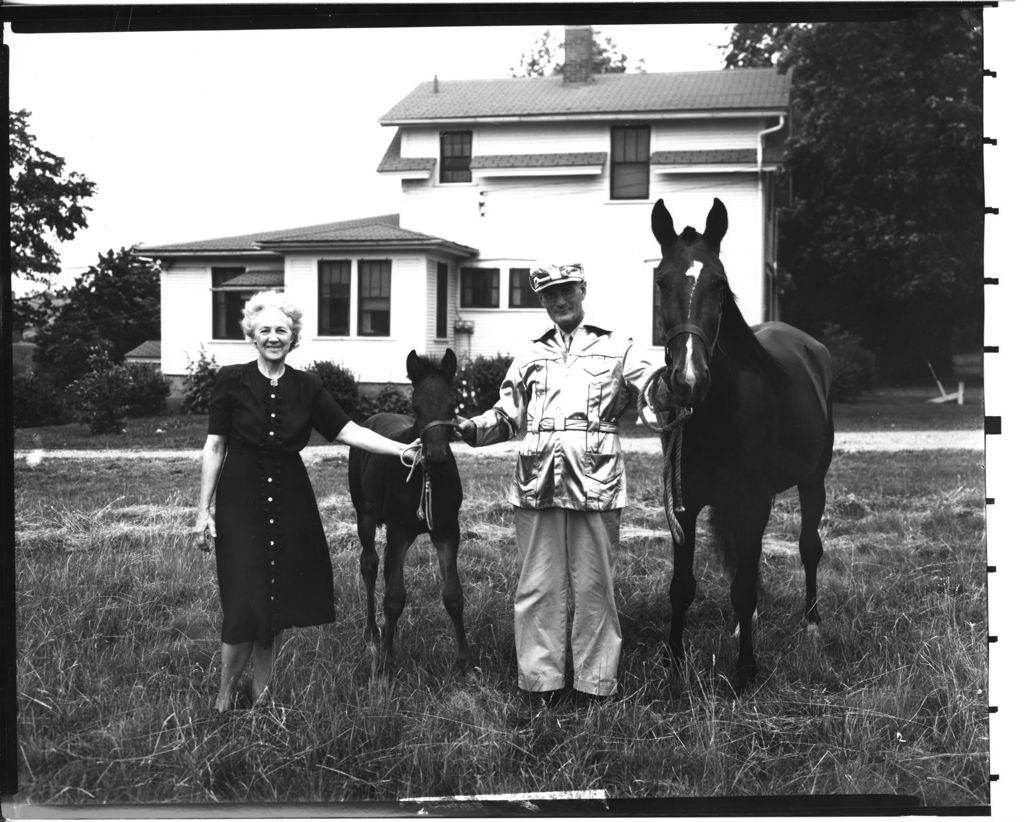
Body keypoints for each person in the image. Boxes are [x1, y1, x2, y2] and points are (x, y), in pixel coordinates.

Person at [191, 290, 420, 712]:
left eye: (282, 330)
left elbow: (347, 429)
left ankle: (262, 695)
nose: (274, 337)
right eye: (265, 330)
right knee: (244, 602)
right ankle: (223, 700)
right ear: (252, 336)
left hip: (291, 499)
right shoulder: (230, 380)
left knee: (276, 603)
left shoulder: (308, 386)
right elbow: (215, 446)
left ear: (293, 337)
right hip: (241, 497)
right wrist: (203, 510)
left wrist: (397, 449)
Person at [457, 263, 659, 701]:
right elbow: (507, 415)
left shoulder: (617, 346)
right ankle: (540, 682)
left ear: (583, 289)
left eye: (567, 290)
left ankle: (595, 684)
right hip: (536, 482)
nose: (560, 300)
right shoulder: (530, 354)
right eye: (550, 294)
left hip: (597, 480)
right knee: (536, 585)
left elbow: (654, 393)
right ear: (541, 300)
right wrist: (469, 428)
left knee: (594, 587)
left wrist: (675, 387)